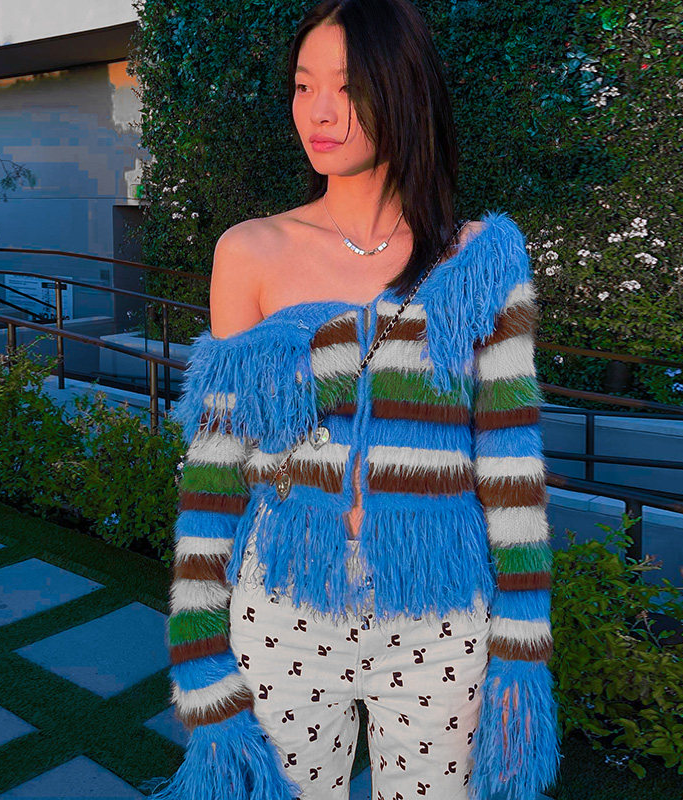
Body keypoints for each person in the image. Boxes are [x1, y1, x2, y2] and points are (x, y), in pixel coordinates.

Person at [142, 1, 562, 799]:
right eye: (304, 86)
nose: (320, 111)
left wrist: (522, 640)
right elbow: (215, 464)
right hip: (284, 607)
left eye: (347, 85)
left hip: (439, 618)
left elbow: (511, 463)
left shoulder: (478, 260)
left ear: (403, 90)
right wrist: (197, 644)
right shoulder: (250, 251)